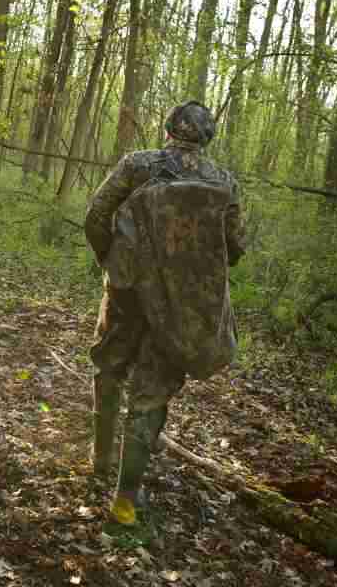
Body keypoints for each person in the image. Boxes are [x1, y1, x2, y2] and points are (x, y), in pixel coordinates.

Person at [83, 100, 246, 525]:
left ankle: (99, 461)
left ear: (170, 128)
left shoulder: (138, 164)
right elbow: (235, 249)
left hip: (127, 288)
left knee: (109, 365)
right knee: (152, 391)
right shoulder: (223, 181)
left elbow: (96, 214)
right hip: (181, 303)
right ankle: (125, 500)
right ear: (207, 138)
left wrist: (113, 262)